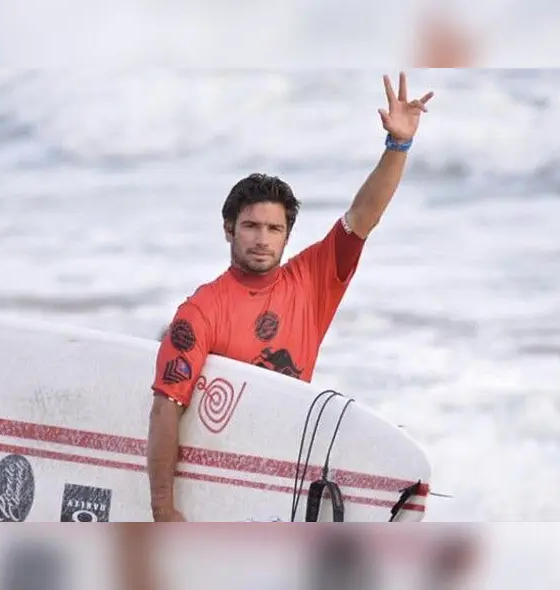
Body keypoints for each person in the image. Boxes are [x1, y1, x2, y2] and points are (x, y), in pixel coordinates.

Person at [145, 72, 435, 522]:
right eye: (251, 226)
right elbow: (166, 408)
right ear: (229, 229)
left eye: (274, 229)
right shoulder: (201, 312)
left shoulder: (312, 281)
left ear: (287, 236)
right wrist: (163, 510)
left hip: (286, 479)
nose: (263, 239)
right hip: (224, 482)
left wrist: (397, 147)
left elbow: (363, 215)